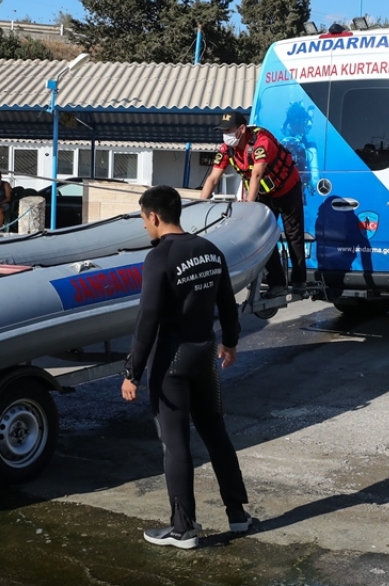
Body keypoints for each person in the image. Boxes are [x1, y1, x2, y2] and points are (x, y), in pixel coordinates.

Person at [121, 185, 251, 550]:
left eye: (144, 219)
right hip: (204, 354)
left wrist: (132, 371)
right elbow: (227, 302)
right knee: (216, 434)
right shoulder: (210, 249)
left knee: (175, 444)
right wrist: (231, 342)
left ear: (154, 217)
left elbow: (148, 317)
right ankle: (238, 514)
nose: (144, 226)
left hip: (172, 362)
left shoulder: (159, 257)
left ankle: (183, 529)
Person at [199, 111, 306, 296]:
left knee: (293, 236)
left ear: (241, 129)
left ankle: (299, 282)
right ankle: (277, 283)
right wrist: (201, 206)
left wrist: (249, 207)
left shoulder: (261, 143)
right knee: (263, 235)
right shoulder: (227, 149)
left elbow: (256, 174)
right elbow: (213, 179)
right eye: (223, 131)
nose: (225, 135)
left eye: (228, 130)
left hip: (287, 190)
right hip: (263, 193)